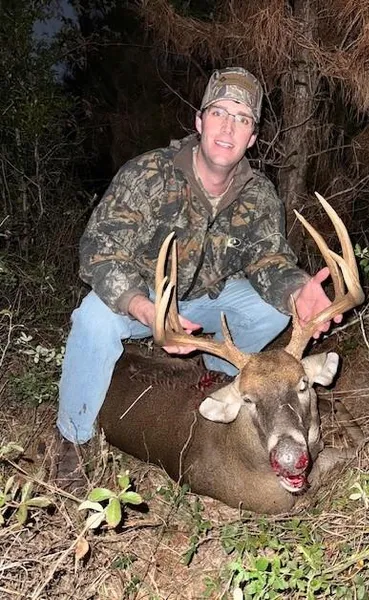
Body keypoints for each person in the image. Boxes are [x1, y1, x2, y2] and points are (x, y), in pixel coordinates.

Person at [54, 67, 340, 487]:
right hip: (144, 297)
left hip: (210, 300)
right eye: (219, 113)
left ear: (252, 137)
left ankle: (219, 378)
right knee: (93, 319)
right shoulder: (148, 174)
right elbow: (98, 251)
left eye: (242, 119)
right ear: (200, 121)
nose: (229, 127)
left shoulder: (259, 194)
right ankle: (72, 440)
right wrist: (143, 308)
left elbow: (269, 261)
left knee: (273, 311)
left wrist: (296, 290)